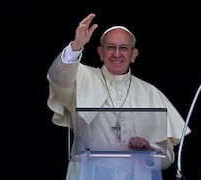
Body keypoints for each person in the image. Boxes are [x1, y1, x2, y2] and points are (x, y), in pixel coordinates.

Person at [46, 13, 191, 180]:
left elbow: (167, 158)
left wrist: (149, 149)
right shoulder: (81, 77)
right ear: (100, 52)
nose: (116, 54)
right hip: (88, 175)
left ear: (133, 54)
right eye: (110, 47)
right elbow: (59, 78)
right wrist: (77, 45)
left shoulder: (151, 93)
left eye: (123, 48)